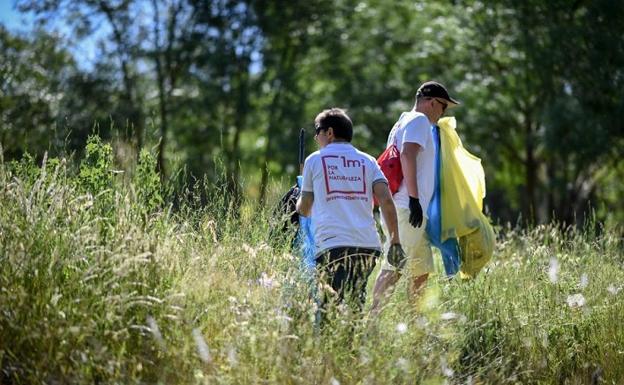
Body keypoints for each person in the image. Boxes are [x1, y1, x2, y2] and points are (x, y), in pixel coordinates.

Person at [296, 108, 405, 314]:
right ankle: (352, 344)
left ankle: (330, 345)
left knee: (329, 306)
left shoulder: (314, 160)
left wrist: (297, 200)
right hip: (367, 245)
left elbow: (305, 207)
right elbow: (386, 200)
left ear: (329, 133)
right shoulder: (368, 161)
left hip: (332, 245)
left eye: (317, 131)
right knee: (355, 303)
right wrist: (395, 241)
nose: (315, 137)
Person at [371, 81, 460, 312]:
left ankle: (416, 325)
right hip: (406, 208)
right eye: (443, 107)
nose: (443, 113)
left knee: (421, 270)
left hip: (406, 208)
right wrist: (413, 199)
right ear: (431, 102)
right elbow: (408, 155)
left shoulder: (403, 121)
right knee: (395, 265)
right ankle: (370, 322)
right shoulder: (419, 120)